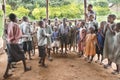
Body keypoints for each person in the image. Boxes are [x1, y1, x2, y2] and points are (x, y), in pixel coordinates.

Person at [3, 13, 31, 79]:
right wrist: (26, 36)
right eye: (16, 17)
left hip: (9, 43)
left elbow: (9, 33)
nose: (17, 19)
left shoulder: (9, 24)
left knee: (10, 59)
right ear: (14, 18)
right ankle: (25, 68)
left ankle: (6, 73)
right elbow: (19, 36)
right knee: (22, 55)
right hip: (14, 43)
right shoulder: (16, 25)